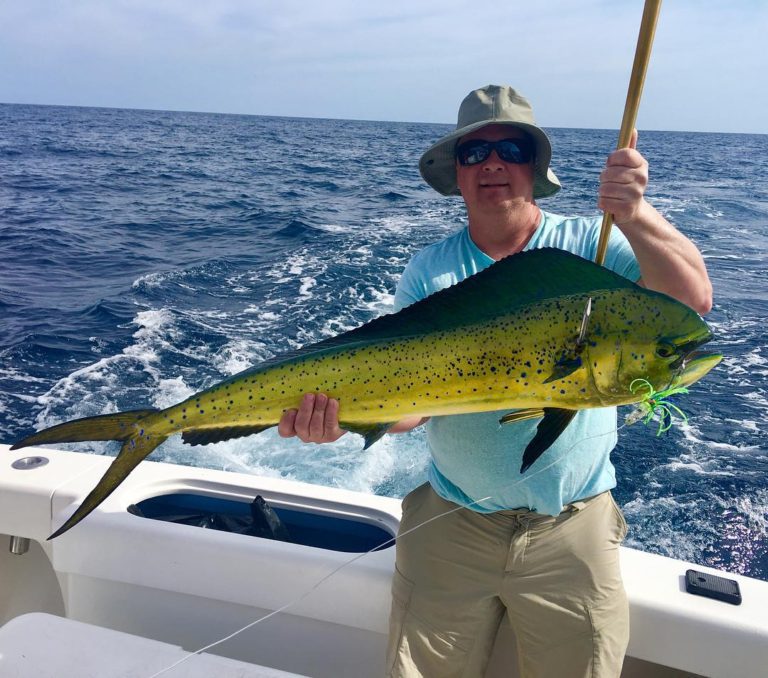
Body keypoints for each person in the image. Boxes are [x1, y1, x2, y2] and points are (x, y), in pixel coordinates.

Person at [278, 85, 712, 677]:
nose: (493, 164)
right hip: (451, 525)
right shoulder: (432, 270)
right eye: (474, 154)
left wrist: (636, 213)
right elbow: (414, 408)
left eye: (509, 148)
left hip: (572, 530)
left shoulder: (594, 246)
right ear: (455, 175)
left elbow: (691, 303)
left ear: (534, 168)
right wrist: (343, 417)